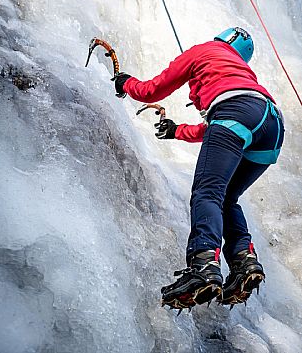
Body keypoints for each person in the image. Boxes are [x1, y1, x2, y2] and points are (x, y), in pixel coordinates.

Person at [114, 27, 284, 311]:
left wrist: (126, 83)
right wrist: (178, 130)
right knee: (228, 197)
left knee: (208, 193)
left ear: (222, 39)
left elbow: (152, 90)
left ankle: (204, 264)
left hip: (236, 112)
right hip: (272, 124)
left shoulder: (204, 50)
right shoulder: (244, 75)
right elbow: (227, 125)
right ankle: (244, 261)